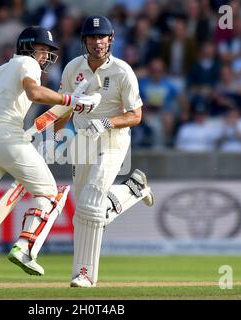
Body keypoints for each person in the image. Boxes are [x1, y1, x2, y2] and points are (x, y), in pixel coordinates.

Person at [0, 26, 102, 289]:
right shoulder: (28, 63)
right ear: (27, 47)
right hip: (6, 136)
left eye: (47, 51)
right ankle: (24, 248)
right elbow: (34, 92)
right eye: (42, 49)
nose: (45, 56)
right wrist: (73, 100)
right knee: (50, 194)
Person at [56, 16, 155, 288]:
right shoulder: (72, 68)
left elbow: (136, 115)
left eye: (102, 38)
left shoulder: (123, 71)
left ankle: (84, 274)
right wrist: (50, 134)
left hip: (113, 138)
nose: (97, 43)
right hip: (82, 141)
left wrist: (106, 122)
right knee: (85, 211)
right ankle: (132, 188)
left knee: (91, 201)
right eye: (92, 38)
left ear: (110, 39)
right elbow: (63, 108)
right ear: (84, 41)